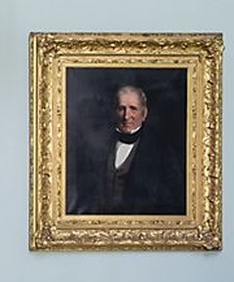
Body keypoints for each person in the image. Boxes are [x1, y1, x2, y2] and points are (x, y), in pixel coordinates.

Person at [67, 83, 186, 216]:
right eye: (121, 108)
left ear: (144, 114)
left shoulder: (161, 152)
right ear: (114, 111)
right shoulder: (98, 146)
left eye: (133, 109)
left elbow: (171, 201)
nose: (126, 116)